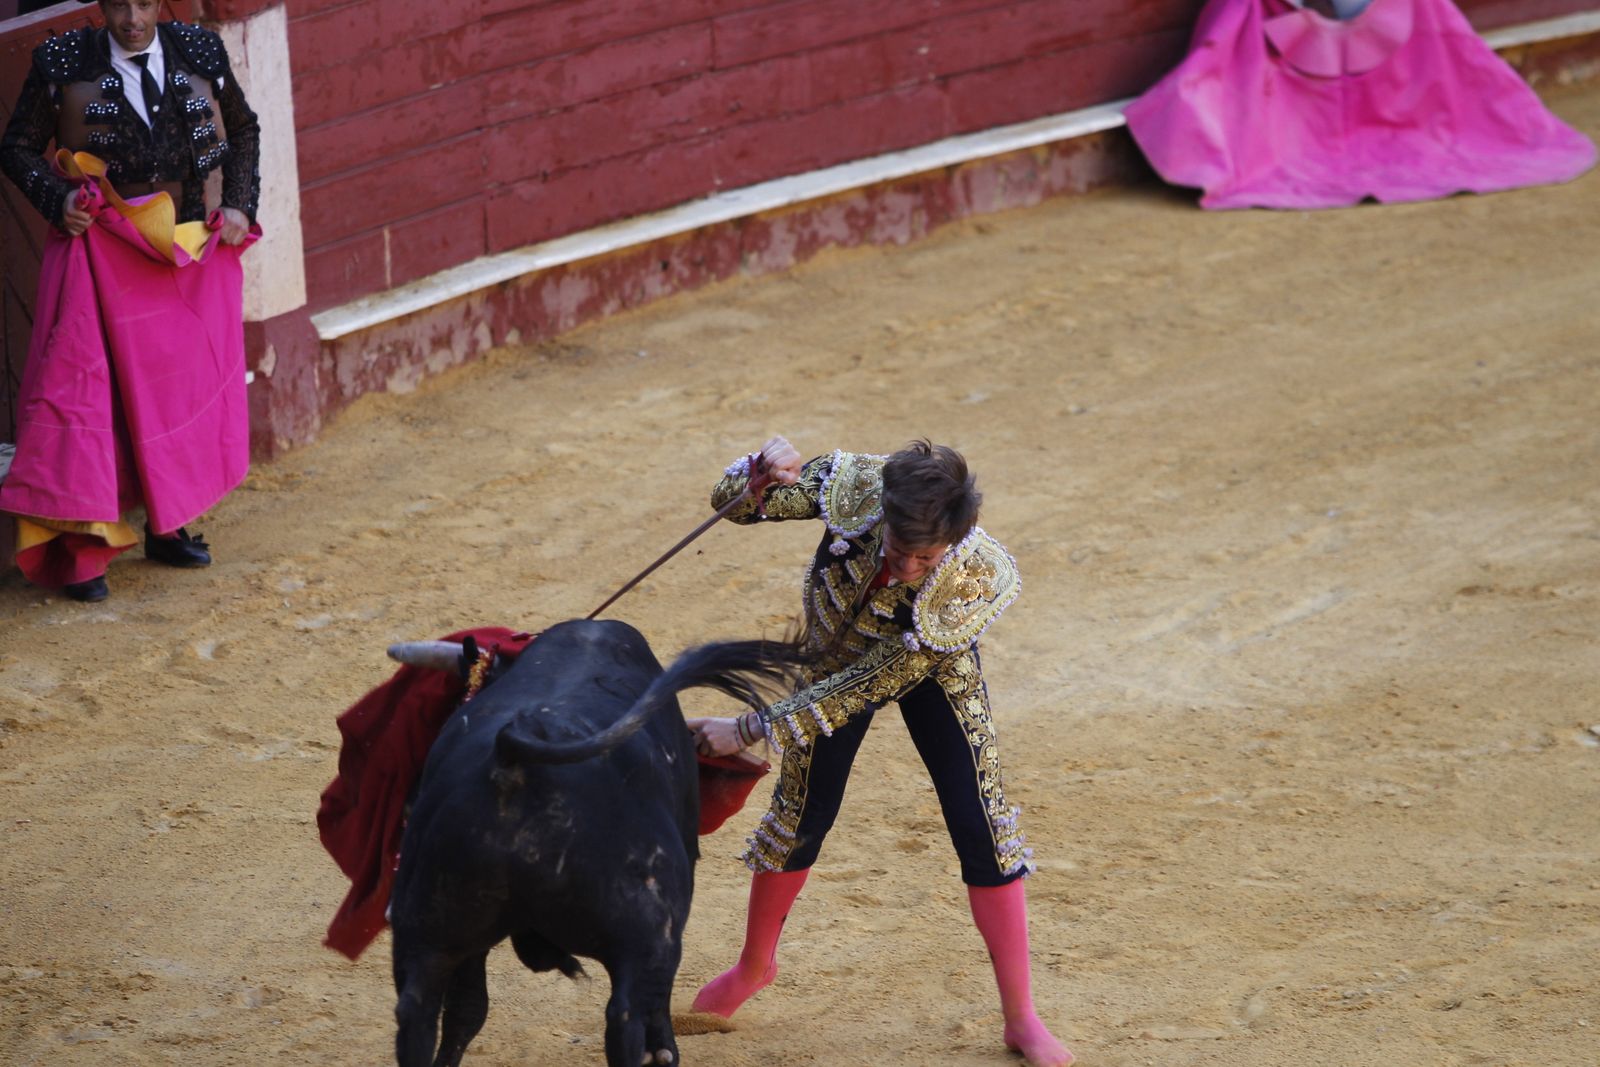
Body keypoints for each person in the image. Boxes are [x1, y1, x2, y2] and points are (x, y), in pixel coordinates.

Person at [686, 436, 1074, 1066]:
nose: (905, 570)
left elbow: (870, 683)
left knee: (983, 827)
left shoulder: (973, 578)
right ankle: (755, 967)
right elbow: (733, 507)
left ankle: (1021, 1016)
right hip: (830, 657)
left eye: (925, 559)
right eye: (898, 551)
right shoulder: (857, 485)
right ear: (883, 516)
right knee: (797, 816)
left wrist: (753, 727)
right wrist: (760, 472)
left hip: (929, 673)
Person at [0, 0, 260, 601]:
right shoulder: (61, 61)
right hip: (99, 252)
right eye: (119, 4)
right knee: (93, 394)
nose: (132, 18)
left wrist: (241, 201)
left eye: (144, 2)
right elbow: (15, 147)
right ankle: (85, 550)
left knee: (171, 396)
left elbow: (244, 128)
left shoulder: (199, 50)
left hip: (176, 255)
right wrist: (55, 199)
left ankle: (167, 527)